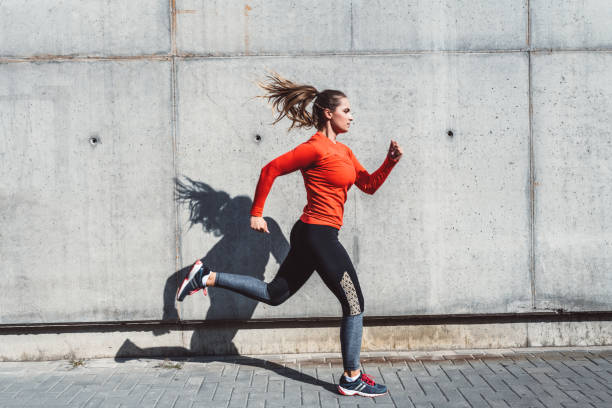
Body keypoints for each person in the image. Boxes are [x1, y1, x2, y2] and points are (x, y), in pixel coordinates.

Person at [177, 72, 403, 397]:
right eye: (347, 110)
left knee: (274, 294)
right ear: (329, 112)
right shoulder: (314, 148)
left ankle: (206, 277)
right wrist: (256, 213)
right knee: (354, 303)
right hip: (318, 234)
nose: (352, 116)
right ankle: (352, 376)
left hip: (315, 234)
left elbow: (368, 185)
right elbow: (270, 169)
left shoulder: (346, 152)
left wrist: (390, 161)